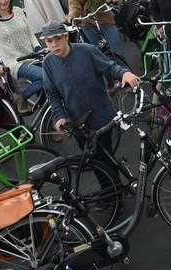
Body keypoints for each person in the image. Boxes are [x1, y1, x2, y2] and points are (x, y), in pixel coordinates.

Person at [41, 22, 140, 182]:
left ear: (66, 37)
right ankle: (113, 194)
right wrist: (60, 116)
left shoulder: (86, 50)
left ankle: (114, 194)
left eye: (57, 38)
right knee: (94, 160)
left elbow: (109, 67)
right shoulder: (48, 63)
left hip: (100, 114)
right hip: (77, 120)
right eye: (49, 41)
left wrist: (124, 73)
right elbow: (52, 93)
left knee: (104, 156)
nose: (54, 44)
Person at [0, 0, 43, 112]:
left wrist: (38, 48)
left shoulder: (18, 11)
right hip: (14, 62)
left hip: (32, 55)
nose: (3, 1)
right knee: (46, 76)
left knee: (52, 78)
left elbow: (29, 31)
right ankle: (22, 97)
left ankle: (46, 115)